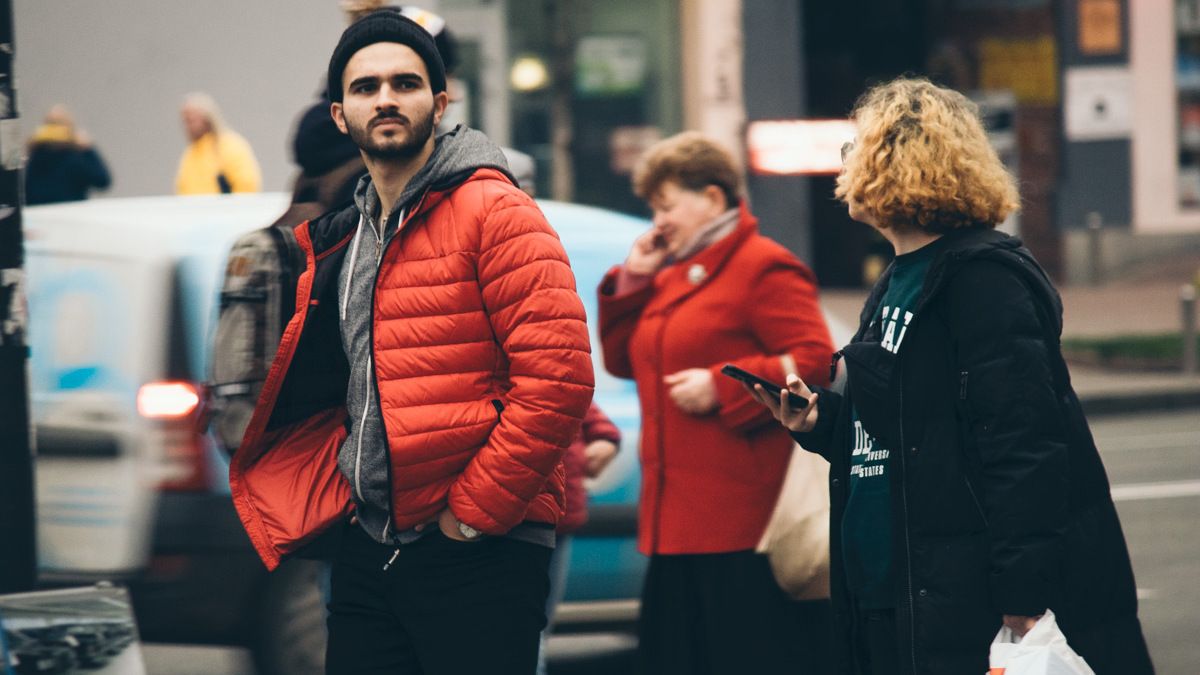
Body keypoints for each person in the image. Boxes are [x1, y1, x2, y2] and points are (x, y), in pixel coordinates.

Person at [226, 10, 594, 675]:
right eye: (366, 88)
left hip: (480, 548)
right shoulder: (350, 232)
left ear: (441, 100)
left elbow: (557, 381)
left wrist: (471, 518)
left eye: (406, 82)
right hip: (369, 546)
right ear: (340, 115)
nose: (387, 98)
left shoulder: (498, 211)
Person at [746, 77, 1155, 675]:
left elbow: (1026, 447)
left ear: (895, 164)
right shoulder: (896, 280)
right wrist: (823, 421)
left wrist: (1022, 596)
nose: (844, 167)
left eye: (854, 150)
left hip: (963, 598)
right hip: (897, 589)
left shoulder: (983, 281)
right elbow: (910, 433)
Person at [597, 131, 836, 675]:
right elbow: (623, 361)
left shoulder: (763, 265)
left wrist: (723, 385)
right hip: (676, 522)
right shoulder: (673, 269)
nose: (658, 220)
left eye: (666, 204)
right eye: (652, 207)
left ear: (711, 196)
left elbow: (816, 359)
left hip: (741, 527)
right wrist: (634, 277)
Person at [536, 402, 621, 675]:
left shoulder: (556, 367)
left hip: (555, 517)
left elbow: (578, 398)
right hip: (511, 516)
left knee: (537, 629)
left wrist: (605, 437)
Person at [174, 92, 262, 194]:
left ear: (207, 119)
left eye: (191, 120)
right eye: (185, 121)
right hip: (196, 209)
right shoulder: (191, 153)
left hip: (225, 209)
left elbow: (247, 184)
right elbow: (182, 189)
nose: (187, 127)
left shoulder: (230, 146)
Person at [24, 105, 111, 205]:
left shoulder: (76, 157)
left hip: (72, 213)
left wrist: (89, 150)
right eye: (52, 124)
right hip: (42, 213)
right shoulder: (38, 156)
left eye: (60, 124)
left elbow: (103, 181)